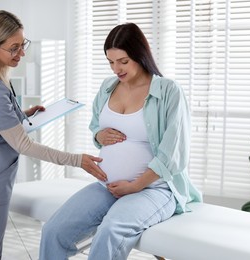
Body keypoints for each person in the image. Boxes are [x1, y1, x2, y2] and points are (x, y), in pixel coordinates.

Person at [39, 22, 202, 260]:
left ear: (140, 55)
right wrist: (98, 135)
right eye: (111, 62)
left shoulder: (168, 91)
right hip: (107, 186)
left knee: (109, 232)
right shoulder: (108, 87)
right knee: (53, 231)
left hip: (153, 189)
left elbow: (173, 151)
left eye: (123, 61)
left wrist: (135, 185)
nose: (116, 69)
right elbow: (96, 124)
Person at [0, 10, 107, 260]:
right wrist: (76, 160)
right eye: (14, 48)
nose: (22, 53)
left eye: (22, 44)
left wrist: (20, 113)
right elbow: (23, 144)